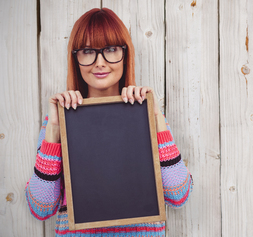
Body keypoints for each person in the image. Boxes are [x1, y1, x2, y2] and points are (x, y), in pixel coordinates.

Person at [25, 8, 193, 236]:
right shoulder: (56, 124)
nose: (100, 62)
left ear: (125, 54)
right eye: (87, 51)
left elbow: (178, 195)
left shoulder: (150, 117)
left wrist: (156, 119)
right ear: (76, 58)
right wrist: (54, 130)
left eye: (111, 50)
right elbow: (40, 208)